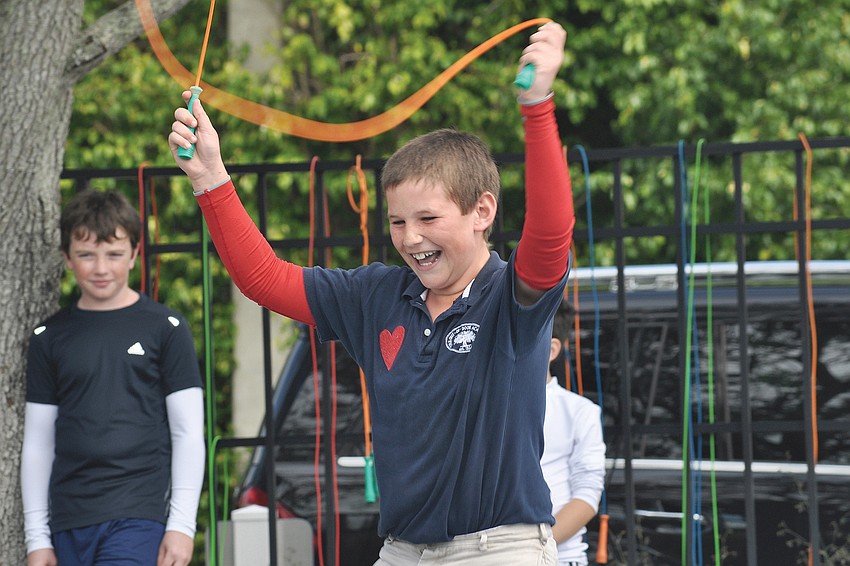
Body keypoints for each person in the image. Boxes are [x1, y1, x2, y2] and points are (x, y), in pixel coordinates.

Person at [170, 22, 572, 565]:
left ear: (482, 211)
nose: (410, 237)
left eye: (428, 218)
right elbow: (262, 279)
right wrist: (210, 176)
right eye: (398, 221)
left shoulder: (510, 296)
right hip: (401, 553)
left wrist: (537, 105)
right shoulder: (376, 294)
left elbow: (549, 237)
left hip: (498, 548)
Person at [21, 190, 206, 566]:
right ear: (66, 258)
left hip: (139, 514)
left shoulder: (167, 328)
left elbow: (188, 432)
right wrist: (37, 538)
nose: (101, 268)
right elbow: (38, 441)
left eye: (114, 254)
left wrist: (183, 526)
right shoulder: (48, 337)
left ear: (135, 254)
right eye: (87, 255)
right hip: (69, 520)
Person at [541, 299, 606, 566]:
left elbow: (587, 496)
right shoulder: (484, 403)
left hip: (559, 556)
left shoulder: (579, 411)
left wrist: (531, 549)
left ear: (552, 349)